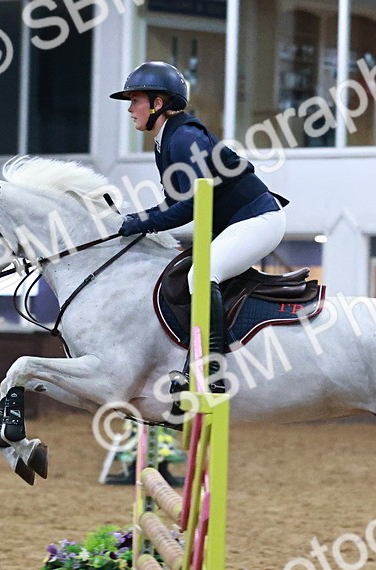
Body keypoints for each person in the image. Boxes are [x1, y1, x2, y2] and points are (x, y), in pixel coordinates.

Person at [110, 62, 288, 393]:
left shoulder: (184, 137)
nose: (131, 108)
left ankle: (212, 373)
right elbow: (174, 203)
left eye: (135, 100)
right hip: (236, 222)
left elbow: (190, 205)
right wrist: (134, 219)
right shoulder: (166, 140)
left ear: (158, 103)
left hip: (257, 219)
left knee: (200, 276)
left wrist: (140, 222)